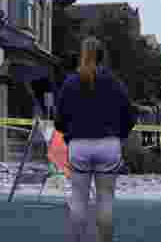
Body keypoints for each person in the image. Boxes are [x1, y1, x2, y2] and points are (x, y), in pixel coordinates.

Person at [55, 36, 136, 242]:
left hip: (79, 145)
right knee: (105, 199)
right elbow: (130, 115)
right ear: (102, 56)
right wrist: (120, 135)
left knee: (78, 199)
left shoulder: (70, 82)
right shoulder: (114, 82)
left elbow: (59, 120)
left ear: (82, 55)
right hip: (108, 144)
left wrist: (68, 134)